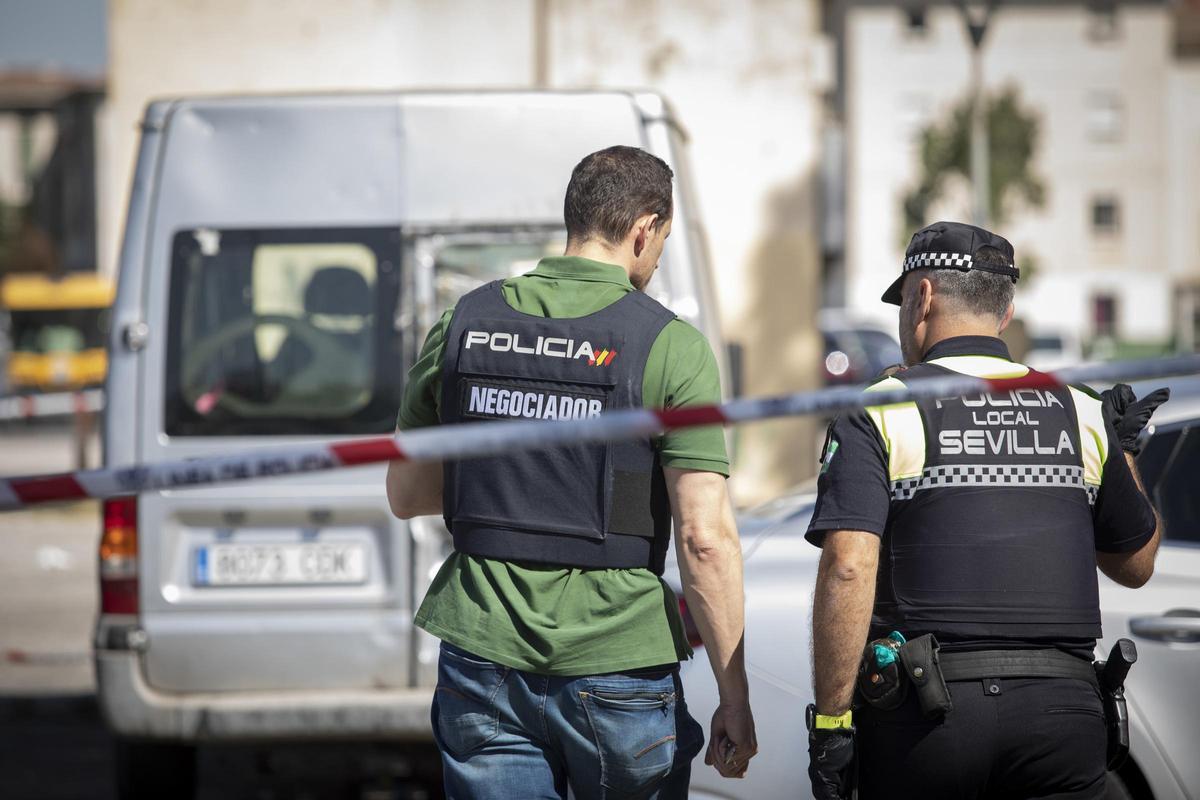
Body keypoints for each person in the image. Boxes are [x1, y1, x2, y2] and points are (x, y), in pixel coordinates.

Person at [387, 145, 757, 799]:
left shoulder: (463, 323)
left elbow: (407, 492)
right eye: (662, 243)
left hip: (483, 653)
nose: (657, 258)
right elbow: (704, 538)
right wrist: (735, 695)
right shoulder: (669, 345)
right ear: (643, 229)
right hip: (618, 661)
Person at [805, 220, 1166, 800]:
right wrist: (1122, 452)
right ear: (1005, 310)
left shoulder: (883, 406)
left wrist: (830, 728)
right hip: (1065, 718)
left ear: (921, 297)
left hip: (928, 720)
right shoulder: (1081, 409)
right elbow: (1136, 564)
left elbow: (848, 566)